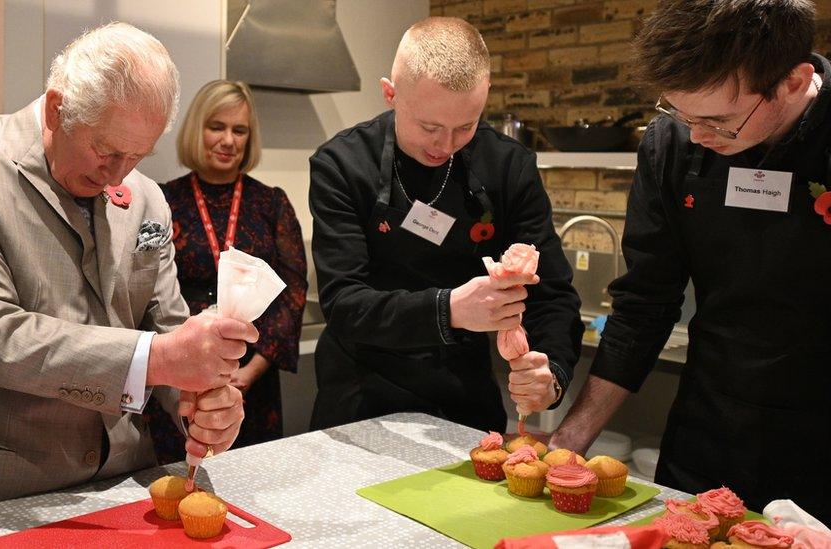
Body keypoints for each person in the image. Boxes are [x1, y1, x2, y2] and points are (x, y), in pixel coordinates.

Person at [0, 23, 257, 524]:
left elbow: (168, 326)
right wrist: (162, 359)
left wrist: (200, 399)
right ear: (58, 107)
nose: (118, 176)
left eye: (138, 156)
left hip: (123, 484)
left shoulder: (147, 198)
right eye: (105, 151)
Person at [550, 0, 831, 522]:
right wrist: (570, 437)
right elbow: (645, 303)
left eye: (719, 121)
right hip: (709, 430)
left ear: (795, 81)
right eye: (681, 113)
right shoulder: (674, 143)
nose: (696, 134)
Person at [308, 17, 583, 433]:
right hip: (361, 397)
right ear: (390, 94)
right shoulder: (343, 165)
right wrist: (450, 309)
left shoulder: (508, 166)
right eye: (430, 127)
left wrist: (553, 370)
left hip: (463, 397)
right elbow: (345, 304)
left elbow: (553, 292)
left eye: (465, 127)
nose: (445, 145)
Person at [144, 80, 307, 462]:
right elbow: (148, 291)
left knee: (253, 486)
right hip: (178, 380)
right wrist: (181, 366)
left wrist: (250, 371)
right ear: (196, 129)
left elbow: (294, 293)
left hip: (253, 380)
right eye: (216, 127)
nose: (228, 140)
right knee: (177, 485)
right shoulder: (163, 200)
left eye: (240, 130)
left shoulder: (271, 203)